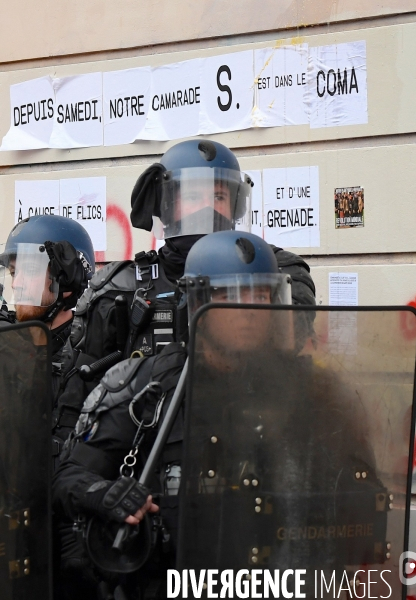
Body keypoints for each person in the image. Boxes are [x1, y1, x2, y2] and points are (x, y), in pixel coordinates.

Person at [52, 230, 317, 599]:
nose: (249, 312)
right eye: (230, 295)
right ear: (197, 303)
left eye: (260, 295)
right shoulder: (146, 386)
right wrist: (105, 494)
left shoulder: (309, 392)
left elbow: (360, 492)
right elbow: (67, 475)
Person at [53, 138, 316, 456]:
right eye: (192, 196)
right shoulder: (117, 287)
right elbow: (78, 402)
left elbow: (288, 347)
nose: (207, 208)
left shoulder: (273, 271)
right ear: (166, 204)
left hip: (250, 444)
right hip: (146, 457)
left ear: (235, 205)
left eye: (218, 196)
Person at [0, 214, 95, 400]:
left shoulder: (87, 354)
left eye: (31, 270)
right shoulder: (6, 342)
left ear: (68, 281)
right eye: (13, 272)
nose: (15, 283)